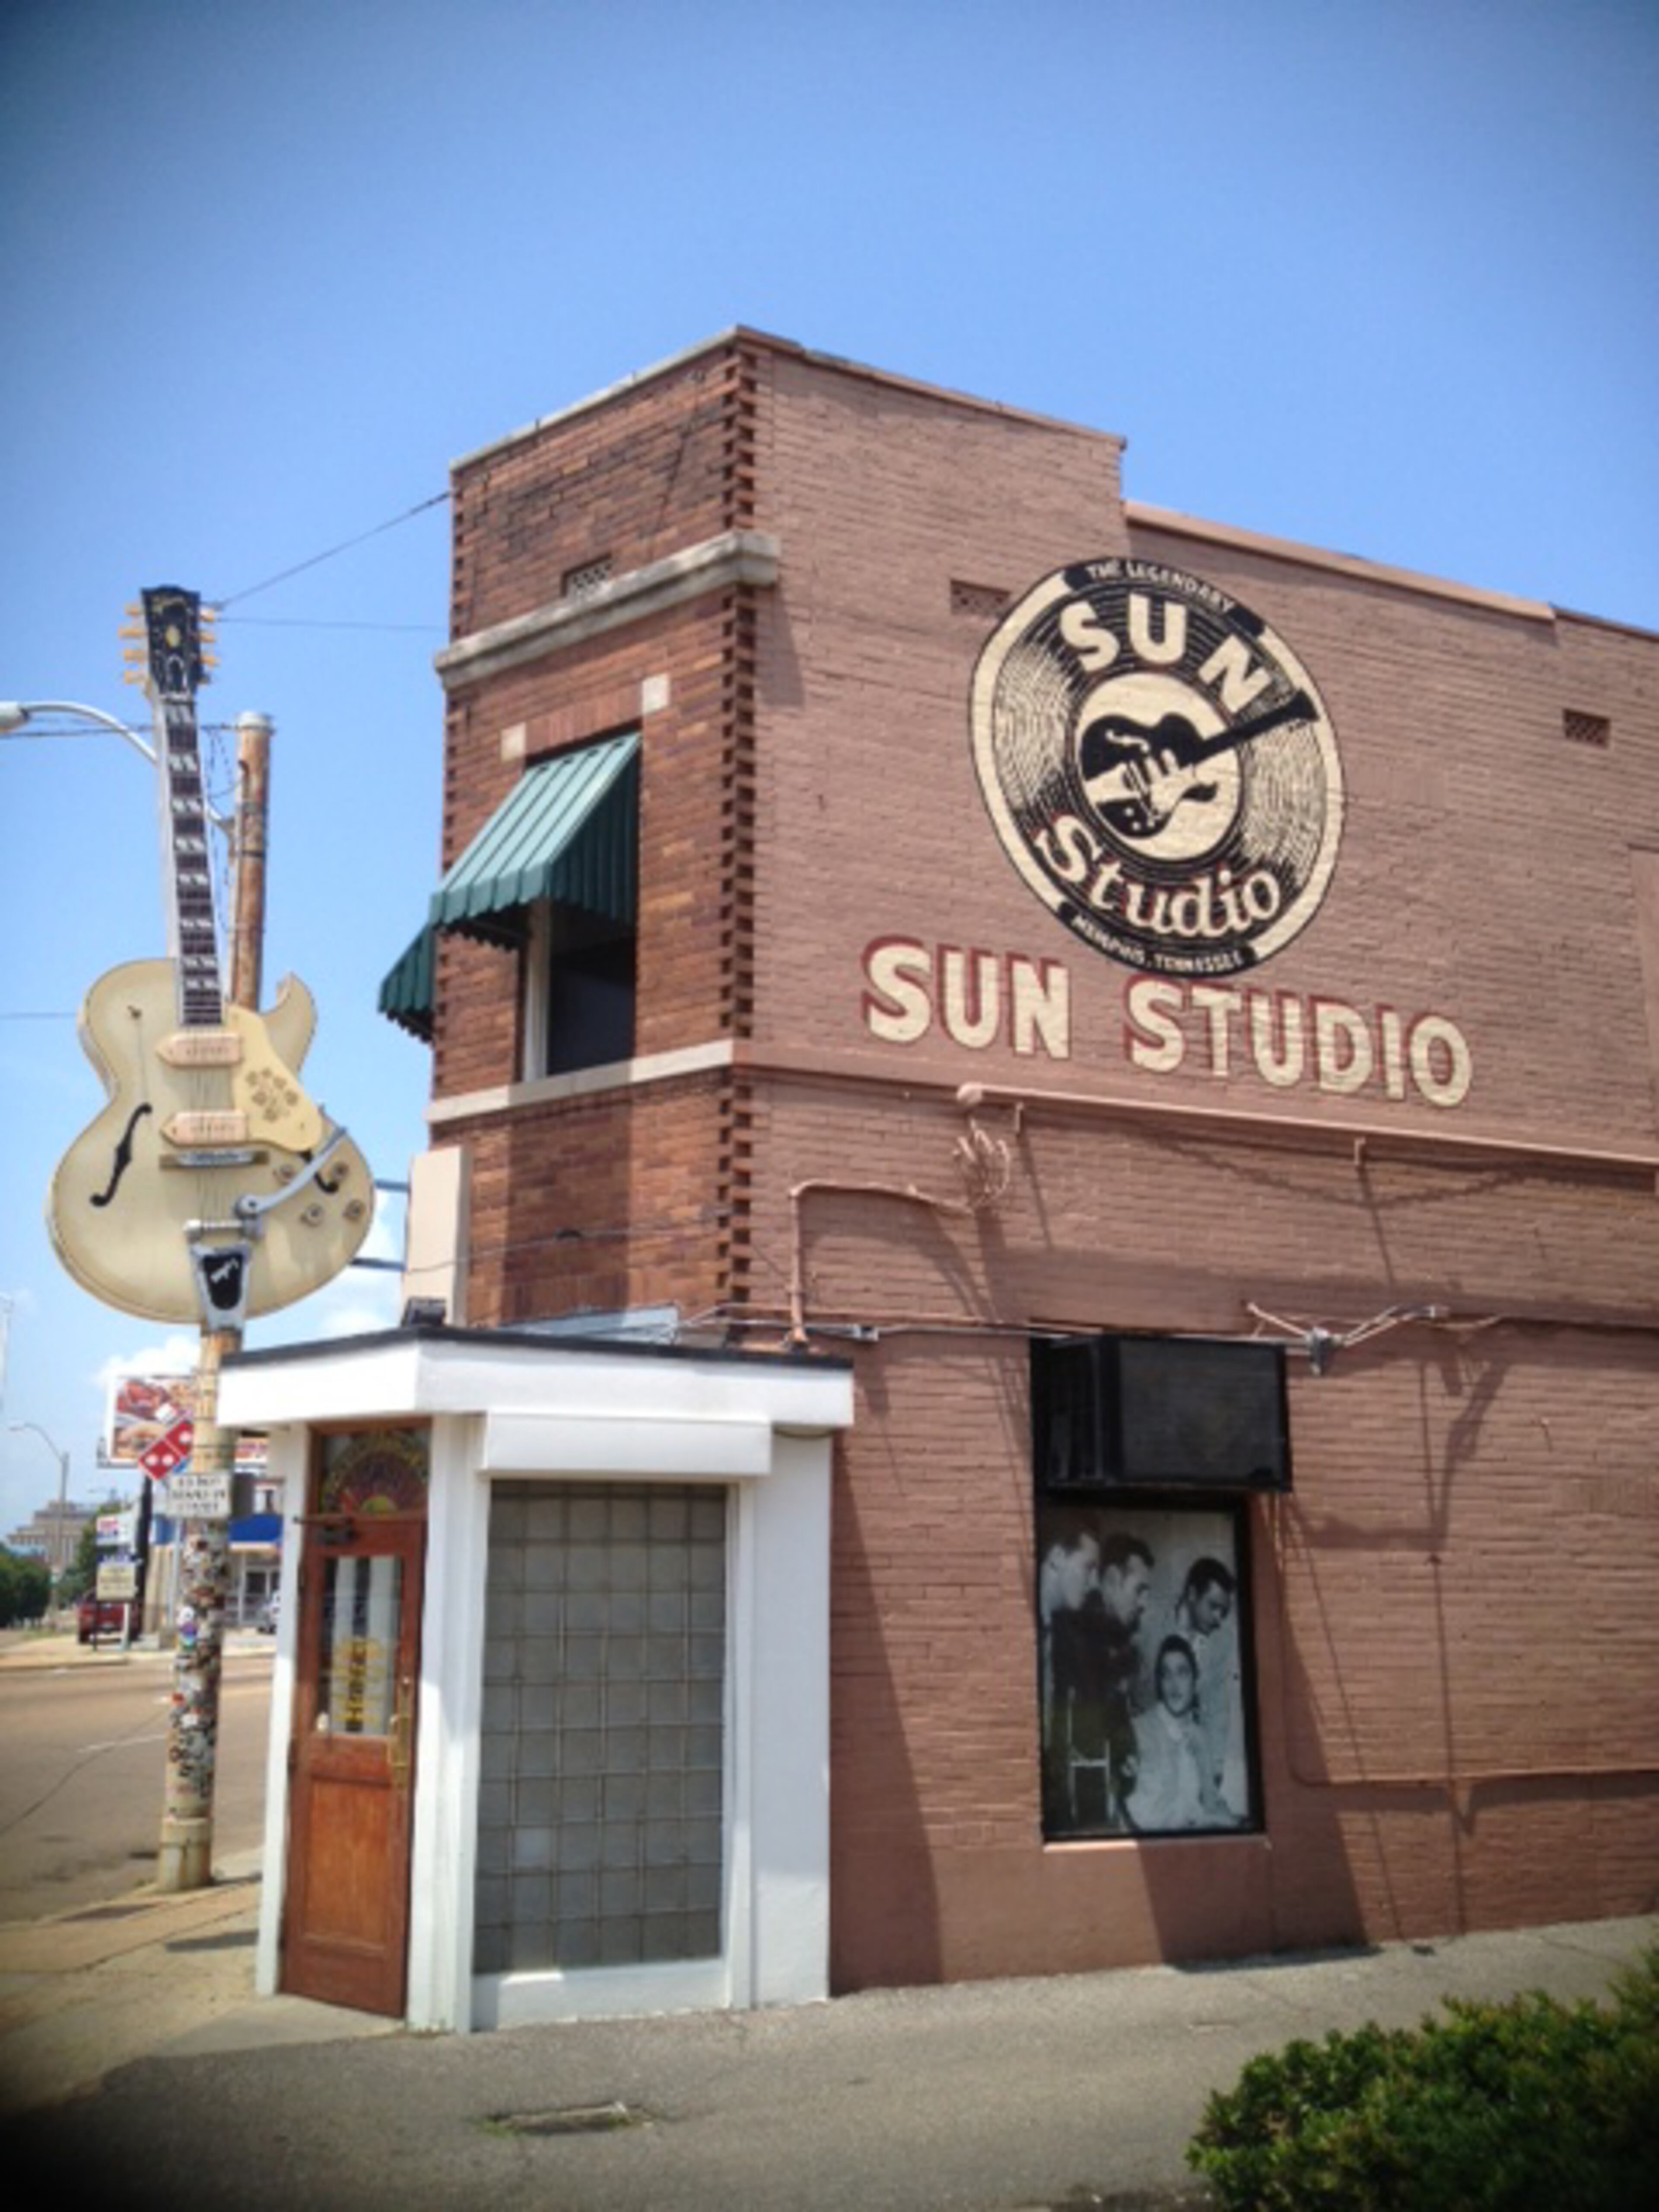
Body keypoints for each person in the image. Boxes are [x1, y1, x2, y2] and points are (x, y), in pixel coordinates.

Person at [1044, 1530, 1153, 1832]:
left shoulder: (1120, 1643)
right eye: (1140, 1590)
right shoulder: (1077, 1635)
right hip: (1078, 1811)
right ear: (1114, 1579)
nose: (1145, 1603)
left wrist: (1126, 1749)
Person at [1126, 1634, 1233, 1832]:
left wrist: (1202, 1756)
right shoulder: (1139, 1730)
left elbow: (1210, 1805)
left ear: (1196, 1681)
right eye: (1166, 1675)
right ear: (1159, 1682)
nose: (1174, 1685)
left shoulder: (1200, 1734)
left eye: (1182, 1673)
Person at [1168, 1556, 1242, 1815]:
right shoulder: (1157, 1634)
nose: (1219, 1618)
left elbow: (1219, 1711)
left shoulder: (1220, 1644)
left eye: (1224, 1611)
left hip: (1200, 1773)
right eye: (1213, 1606)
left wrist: (1215, 1772)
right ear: (1192, 1594)